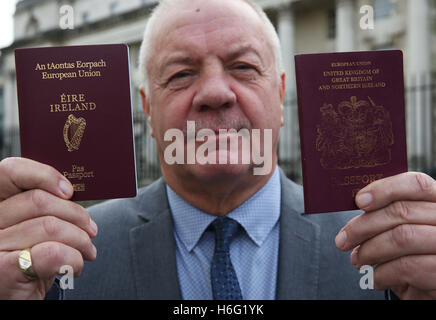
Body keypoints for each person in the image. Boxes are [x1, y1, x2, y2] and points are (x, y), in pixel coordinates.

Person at [1, 0, 436, 300]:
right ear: (147, 110)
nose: (214, 92)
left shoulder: (388, 253)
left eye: (243, 67)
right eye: (181, 74)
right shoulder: (59, 258)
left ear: (281, 94)